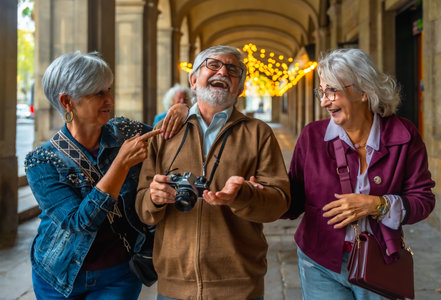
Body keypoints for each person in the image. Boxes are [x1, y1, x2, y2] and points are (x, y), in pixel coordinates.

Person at [25, 51, 188, 300]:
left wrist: (182, 109)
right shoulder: (42, 161)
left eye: (109, 89)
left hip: (119, 273)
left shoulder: (125, 131)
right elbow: (79, 223)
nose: (109, 99)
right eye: (98, 93)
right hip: (57, 276)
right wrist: (120, 165)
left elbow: (170, 139)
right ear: (67, 102)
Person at [136, 45, 290, 300]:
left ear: (240, 88)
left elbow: (279, 204)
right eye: (213, 65)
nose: (223, 72)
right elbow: (142, 207)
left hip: (239, 284)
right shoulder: (164, 132)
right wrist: (154, 197)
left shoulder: (259, 133)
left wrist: (243, 195)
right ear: (193, 80)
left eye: (233, 70)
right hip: (175, 284)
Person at [286, 48, 435, 299]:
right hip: (319, 261)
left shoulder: (403, 135)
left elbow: (423, 200)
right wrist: (259, 194)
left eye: (333, 90)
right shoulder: (312, 136)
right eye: (321, 92)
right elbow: (293, 199)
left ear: (364, 90)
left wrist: (377, 205)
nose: (324, 101)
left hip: (379, 261)